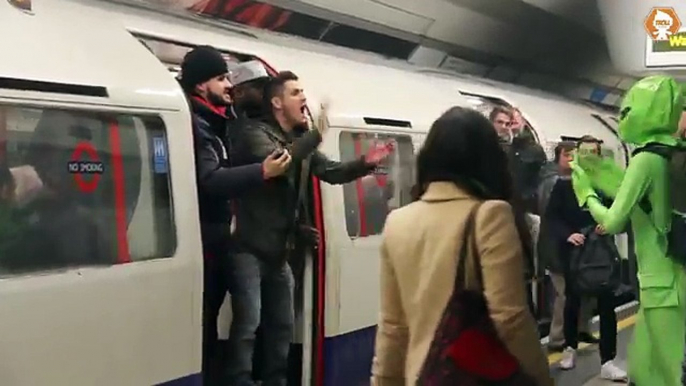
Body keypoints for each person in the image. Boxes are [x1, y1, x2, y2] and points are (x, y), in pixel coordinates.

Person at [226, 70, 390, 386]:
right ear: (276, 102)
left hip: (279, 251)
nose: (303, 98)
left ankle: (275, 380)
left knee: (282, 325)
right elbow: (277, 164)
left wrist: (365, 163)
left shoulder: (297, 141)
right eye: (295, 92)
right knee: (248, 323)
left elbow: (331, 172)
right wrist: (316, 135)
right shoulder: (253, 134)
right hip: (248, 247)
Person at [370, 106, 552, 386]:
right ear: (488, 160)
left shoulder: (397, 222)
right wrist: (542, 376)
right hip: (475, 376)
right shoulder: (490, 215)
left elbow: (393, 327)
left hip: (424, 377)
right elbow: (510, 317)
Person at [178, 45, 292, 385]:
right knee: (215, 324)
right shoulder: (199, 128)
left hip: (220, 239)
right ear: (200, 85)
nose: (229, 84)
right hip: (207, 239)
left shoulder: (219, 124)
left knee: (228, 322)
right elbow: (210, 180)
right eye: (220, 77)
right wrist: (262, 172)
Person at [571, 75, 685, 386]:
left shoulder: (646, 158)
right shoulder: (670, 154)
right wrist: (604, 171)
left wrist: (587, 193)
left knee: (671, 372)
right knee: (645, 370)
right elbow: (642, 200)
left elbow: (613, 222)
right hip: (673, 277)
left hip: (661, 286)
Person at [548, 136, 627, 380]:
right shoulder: (564, 185)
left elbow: (621, 215)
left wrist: (611, 224)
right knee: (572, 302)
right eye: (586, 152)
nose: (591, 156)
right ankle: (569, 347)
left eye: (595, 152)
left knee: (607, 306)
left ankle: (608, 359)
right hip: (575, 252)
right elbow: (552, 217)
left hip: (602, 253)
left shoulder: (608, 186)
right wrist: (568, 235)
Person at [538, 141, 596, 352]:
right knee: (564, 294)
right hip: (556, 247)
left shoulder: (580, 180)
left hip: (578, 247)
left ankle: (580, 330)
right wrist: (567, 233)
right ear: (558, 157)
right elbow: (549, 216)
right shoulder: (553, 183)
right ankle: (557, 339)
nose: (571, 160)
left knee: (583, 291)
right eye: (567, 156)